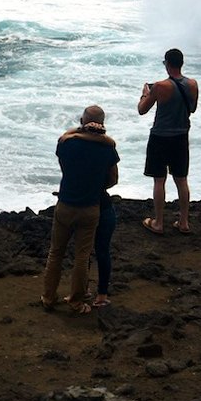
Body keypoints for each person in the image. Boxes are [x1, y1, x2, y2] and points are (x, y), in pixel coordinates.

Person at [41, 105, 119, 314]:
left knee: (56, 253)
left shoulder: (67, 144)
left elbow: (64, 150)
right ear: (102, 125)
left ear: (82, 122)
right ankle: (76, 302)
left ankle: (48, 298)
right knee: (81, 256)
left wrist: (80, 130)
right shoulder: (108, 148)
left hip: (66, 204)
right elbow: (113, 180)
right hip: (90, 207)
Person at [138, 47, 199, 234]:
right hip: (181, 136)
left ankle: (158, 223)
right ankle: (184, 222)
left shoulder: (160, 86)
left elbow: (142, 109)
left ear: (167, 64)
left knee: (159, 181)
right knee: (181, 180)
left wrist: (145, 93)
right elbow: (193, 109)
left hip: (160, 137)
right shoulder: (193, 84)